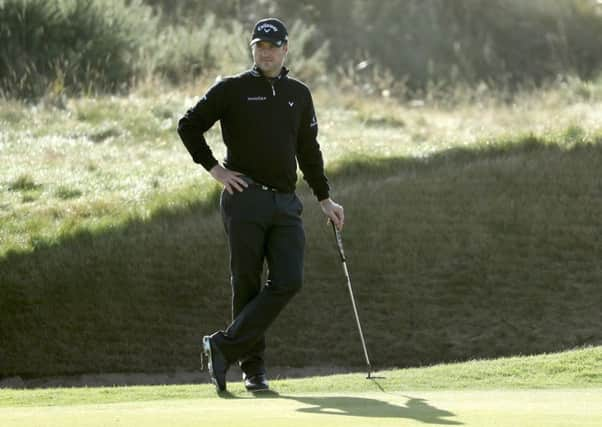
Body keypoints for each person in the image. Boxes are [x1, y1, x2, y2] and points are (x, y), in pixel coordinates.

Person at [177, 17, 344, 393]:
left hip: (286, 202)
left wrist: (324, 197)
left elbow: (308, 150)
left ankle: (222, 346)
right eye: (259, 47)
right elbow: (188, 125)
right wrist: (216, 170)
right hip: (244, 198)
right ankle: (253, 372)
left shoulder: (299, 94)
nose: (265, 53)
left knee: (289, 280)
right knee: (247, 283)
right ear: (253, 50)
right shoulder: (232, 89)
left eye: (272, 47)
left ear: (286, 50)